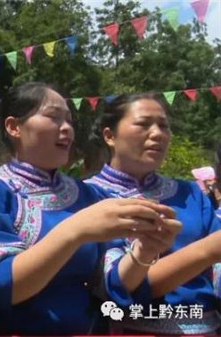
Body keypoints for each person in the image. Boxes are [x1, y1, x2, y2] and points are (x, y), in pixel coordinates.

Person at [0, 83, 179, 335]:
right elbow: (0, 286)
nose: (66, 128)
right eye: (53, 117)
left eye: (69, 120)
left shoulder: (88, 194)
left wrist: (144, 251)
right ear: (13, 127)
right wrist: (76, 230)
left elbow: (110, 284)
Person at [86, 92, 221, 334]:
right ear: (110, 136)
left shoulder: (190, 193)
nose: (157, 133)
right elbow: (116, 285)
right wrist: (207, 251)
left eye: (163, 125)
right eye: (143, 124)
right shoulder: (89, 196)